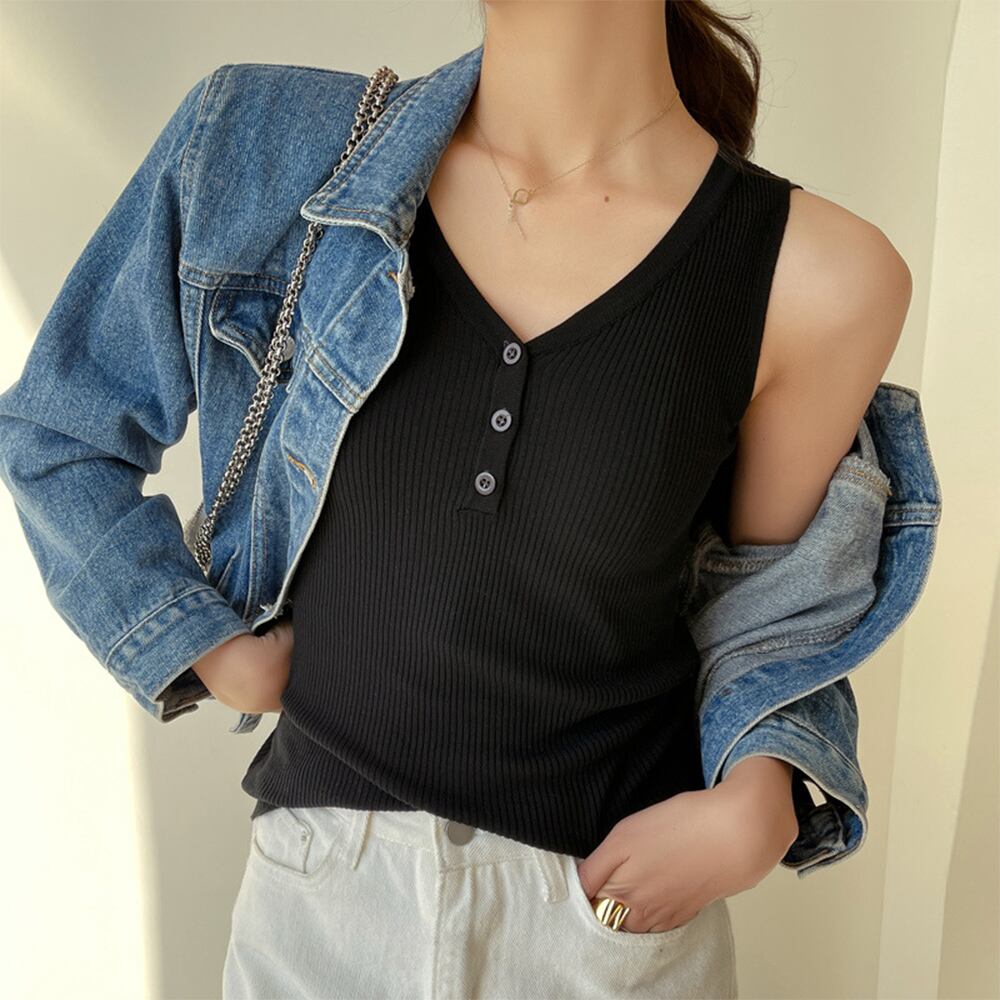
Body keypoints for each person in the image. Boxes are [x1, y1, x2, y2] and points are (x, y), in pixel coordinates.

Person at [0, 2, 916, 998]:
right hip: (316, 926)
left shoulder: (820, 274)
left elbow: (775, 609)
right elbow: (58, 431)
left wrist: (762, 797)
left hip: (604, 931)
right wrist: (211, 650)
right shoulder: (263, 145)